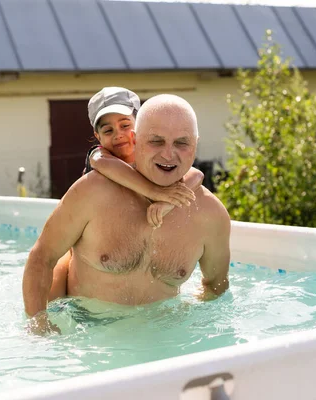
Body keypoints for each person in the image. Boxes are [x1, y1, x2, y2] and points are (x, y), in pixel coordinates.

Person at [22, 94, 231, 334]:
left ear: (195, 143)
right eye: (156, 141)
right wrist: (39, 324)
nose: (168, 154)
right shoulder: (91, 192)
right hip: (87, 335)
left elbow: (216, 288)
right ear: (136, 139)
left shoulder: (210, 214)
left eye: (181, 143)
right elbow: (41, 257)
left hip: (162, 339)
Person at [47, 87, 204, 302]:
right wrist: (156, 192)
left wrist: (166, 203)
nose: (118, 134)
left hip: (130, 245)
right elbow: (108, 166)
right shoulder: (100, 156)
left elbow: (196, 174)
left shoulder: (153, 154)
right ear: (97, 136)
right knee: (55, 291)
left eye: (125, 125)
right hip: (86, 248)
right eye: (108, 130)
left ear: (140, 126)